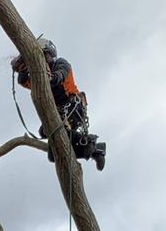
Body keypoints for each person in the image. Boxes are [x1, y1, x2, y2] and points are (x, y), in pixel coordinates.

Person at [12, 39, 106, 171]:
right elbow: (25, 82)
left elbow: (59, 75)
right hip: (58, 113)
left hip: (73, 107)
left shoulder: (61, 64)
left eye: (45, 56)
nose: (45, 60)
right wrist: (21, 70)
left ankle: (90, 143)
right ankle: (94, 150)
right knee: (53, 154)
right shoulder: (39, 79)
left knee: (57, 130)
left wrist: (48, 77)